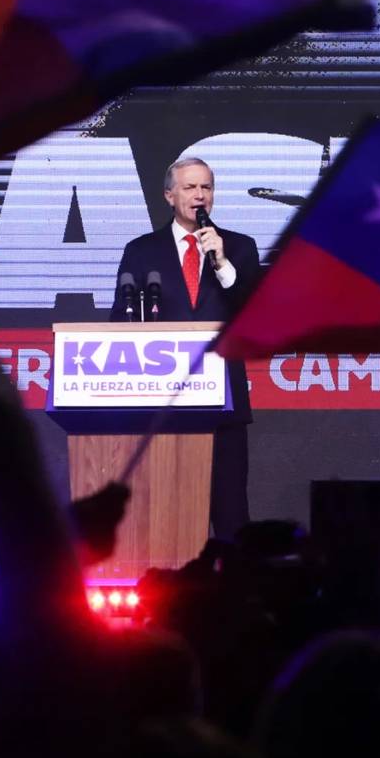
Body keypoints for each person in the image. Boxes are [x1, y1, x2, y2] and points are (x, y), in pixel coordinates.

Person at [110, 157, 263, 537]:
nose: (200, 195)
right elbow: (120, 322)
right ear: (169, 195)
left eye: (206, 187)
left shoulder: (240, 248)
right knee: (165, 514)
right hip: (162, 403)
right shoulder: (142, 251)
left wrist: (223, 263)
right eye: (191, 187)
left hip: (223, 402)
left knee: (229, 513)